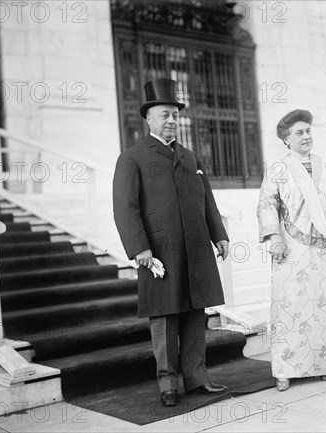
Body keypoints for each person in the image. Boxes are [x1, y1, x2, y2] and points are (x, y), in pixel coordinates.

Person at [113, 78, 229, 407]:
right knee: (165, 318)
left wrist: (218, 234)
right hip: (160, 254)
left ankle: (197, 378)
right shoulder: (132, 158)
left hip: (195, 250)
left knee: (195, 313)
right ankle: (168, 383)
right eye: (164, 115)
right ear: (148, 118)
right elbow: (125, 208)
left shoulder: (191, 158)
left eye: (175, 115)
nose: (171, 121)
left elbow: (207, 200)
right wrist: (141, 249)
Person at [257, 109, 326, 392]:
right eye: (299, 132)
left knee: (321, 310)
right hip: (291, 251)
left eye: (308, 130)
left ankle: (322, 365)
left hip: (324, 250)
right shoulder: (278, 169)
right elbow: (267, 203)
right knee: (290, 310)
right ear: (286, 139)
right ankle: (284, 370)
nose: (306, 136)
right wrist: (274, 237)